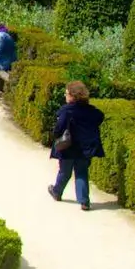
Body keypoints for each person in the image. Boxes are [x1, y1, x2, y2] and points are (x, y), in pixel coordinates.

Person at [49, 80, 106, 210]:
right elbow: (100, 117)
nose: (65, 95)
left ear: (72, 96)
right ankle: (84, 201)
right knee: (81, 172)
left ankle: (57, 192)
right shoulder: (91, 111)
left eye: (66, 93)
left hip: (67, 146)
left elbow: (58, 129)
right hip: (85, 148)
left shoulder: (66, 110)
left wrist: (56, 134)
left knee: (65, 171)